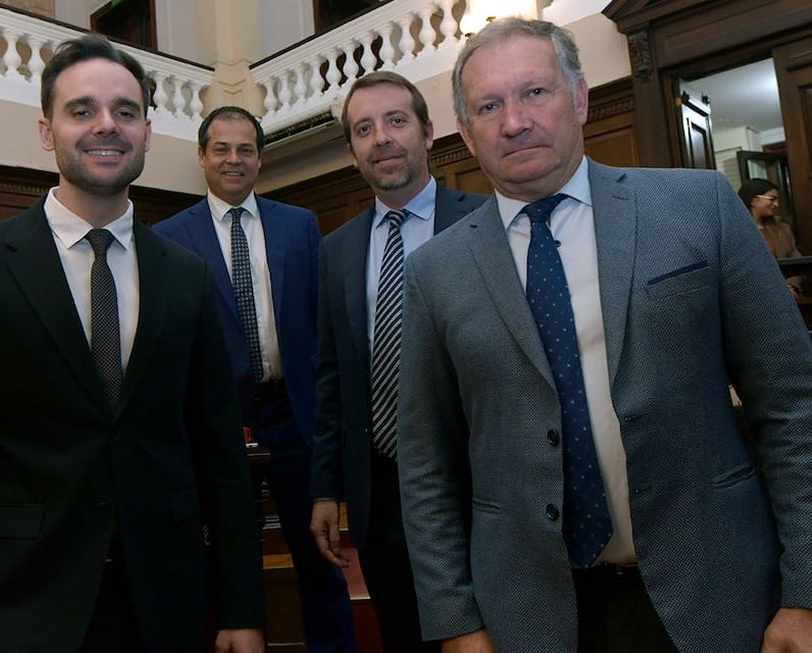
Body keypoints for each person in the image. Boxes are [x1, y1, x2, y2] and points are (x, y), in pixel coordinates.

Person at [397, 17, 812, 653]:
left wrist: (805, 592)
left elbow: (792, 404)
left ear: (582, 98)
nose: (514, 121)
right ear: (466, 133)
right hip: (529, 615)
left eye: (535, 92)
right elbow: (426, 464)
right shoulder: (434, 270)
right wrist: (456, 621)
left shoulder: (698, 207)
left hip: (716, 594)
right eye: (489, 105)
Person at [0, 35, 265, 653]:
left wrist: (242, 607)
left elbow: (219, 454)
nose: (106, 126)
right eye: (82, 110)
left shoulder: (187, 276)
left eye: (125, 111)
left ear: (147, 131)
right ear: (47, 130)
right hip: (20, 605)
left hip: (165, 604)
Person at [154, 106, 356, 653]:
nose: (233, 159)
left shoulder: (299, 225)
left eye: (245, 149)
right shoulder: (167, 238)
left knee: (320, 559)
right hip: (219, 428)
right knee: (225, 559)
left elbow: (321, 328)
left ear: (260, 158)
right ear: (201, 156)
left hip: (294, 417)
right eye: (221, 148)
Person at [308, 71, 487, 651]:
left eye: (395, 121)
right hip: (379, 489)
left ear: (429, 132)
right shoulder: (334, 251)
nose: (381, 138)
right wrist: (325, 490)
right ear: (353, 149)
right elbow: (332, 379)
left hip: (480, 484)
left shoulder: (485, 223)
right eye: (364, 129)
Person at [738, 178, 803, 297]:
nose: (777, 204)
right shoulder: (736, 231)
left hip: (787, 296)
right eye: (772, 199)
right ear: (754, 200)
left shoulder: (782, 228)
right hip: (753, 297)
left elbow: (797, 262)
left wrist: (790, 286)